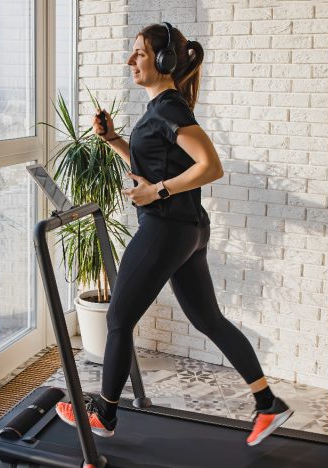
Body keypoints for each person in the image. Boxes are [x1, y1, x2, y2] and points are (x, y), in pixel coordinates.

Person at [55, 22, 293, 447]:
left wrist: (158, 191)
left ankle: (104, 414)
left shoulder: (169, 109)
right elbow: (154, 164)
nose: (131, 61)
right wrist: (113, 141)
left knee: (118, 320)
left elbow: (210, 166)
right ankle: (268, 403)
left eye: (140, 53)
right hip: (188, 231)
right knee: (207, 319)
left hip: (167, 228)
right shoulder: (159, 110)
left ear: (163, 61)